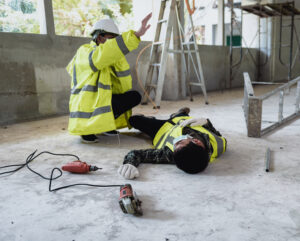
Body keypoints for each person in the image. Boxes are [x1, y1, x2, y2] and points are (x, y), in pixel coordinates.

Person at [66, 13, 152, 143]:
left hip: (99, 101)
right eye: (112, 38)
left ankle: (106, 125)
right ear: (99, 37)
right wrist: (135, 36)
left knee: (134, 96)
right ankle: (86, 130)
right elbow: (103, 55)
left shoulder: (110, 56)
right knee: (105, 102)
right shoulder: (85, 51)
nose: (114, 42)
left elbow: (118, 84)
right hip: (87, 105)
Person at [118, 107, 227, 179]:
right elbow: (218, 135)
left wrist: (129, 163)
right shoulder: (218, 144)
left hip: (162, 129)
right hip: (182, 121)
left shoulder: (172, 155)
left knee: (134, 120)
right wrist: (206, 122)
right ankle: (179, 113)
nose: (175, 145)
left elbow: (138, 154)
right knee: (180, 116)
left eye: (175, 147)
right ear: (196, 141)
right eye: (180, 143)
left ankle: (155, 118)